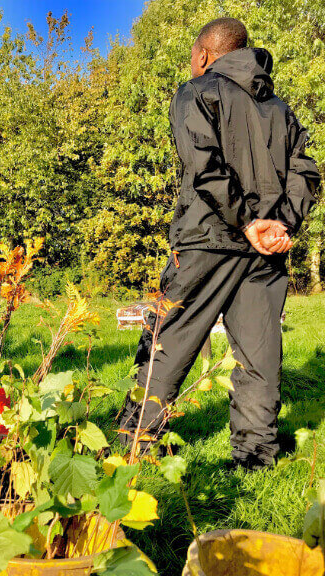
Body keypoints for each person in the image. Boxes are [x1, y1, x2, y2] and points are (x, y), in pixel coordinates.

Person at [118, 18, 321, 470]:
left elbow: (203, 167)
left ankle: (134, 444)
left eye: (194, 58)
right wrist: (280, 224)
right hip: (263, 252)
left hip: (208, 240)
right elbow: (306, 173)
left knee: (168, 340)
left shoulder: (197, 92)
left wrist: (249, 222)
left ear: (205, 55)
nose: (192, 65)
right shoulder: (281, 110)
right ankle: (254, 456)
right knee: (259, 354)